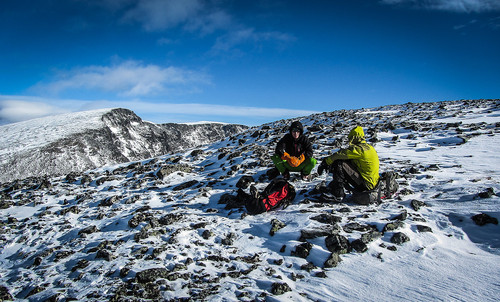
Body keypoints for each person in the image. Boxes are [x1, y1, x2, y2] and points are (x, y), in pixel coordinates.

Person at [317, 126, 379, 199]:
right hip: (372, 183)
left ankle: (337, 193)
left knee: (339, 163)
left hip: (365, 185)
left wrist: (325, 162)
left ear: (355, 137)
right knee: (345, 161)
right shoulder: (369, 147)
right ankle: (335, 187)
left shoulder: (359, 149)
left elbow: (340, 154)